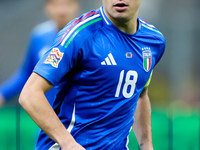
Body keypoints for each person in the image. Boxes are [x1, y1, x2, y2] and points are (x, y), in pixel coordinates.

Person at [19, 0, 166, 149]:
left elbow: (140, 94)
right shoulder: (80, 34)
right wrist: (69, 144)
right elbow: (30, 94)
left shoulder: (153, 41)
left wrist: (147, 146)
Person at [0, 0, 79, 106]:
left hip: (78, 117)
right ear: (47, 7)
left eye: (67, 4)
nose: (61, 11)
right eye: (56, 5)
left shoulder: (88, 37)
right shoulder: (40, 36)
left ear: (76, 6)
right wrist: (3, 93)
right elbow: (27, 75)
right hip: (46, 117)